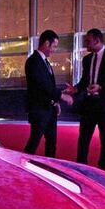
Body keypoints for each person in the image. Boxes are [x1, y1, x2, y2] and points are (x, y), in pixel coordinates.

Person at [63, 28, 105, 170]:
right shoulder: (86, 59)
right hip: (89, 105)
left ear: (97, 40)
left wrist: (101, 87)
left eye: (88, 41)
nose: (85, 43)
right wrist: (76, 89)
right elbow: (85, 80)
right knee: (83, 139)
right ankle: (81, 168)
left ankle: (102, 169)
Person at [23, 29, 73, 157]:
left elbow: (49, 86)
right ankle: (23, 166)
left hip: (49, 109)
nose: (54, 50)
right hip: (39, 110)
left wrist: (55, 102)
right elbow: (43, 85)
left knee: (52, 142)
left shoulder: (45, 62)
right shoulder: (33, 61)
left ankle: (50, 166)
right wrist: (62, 96)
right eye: (54, 46)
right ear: (46, 43)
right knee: (34, 141)